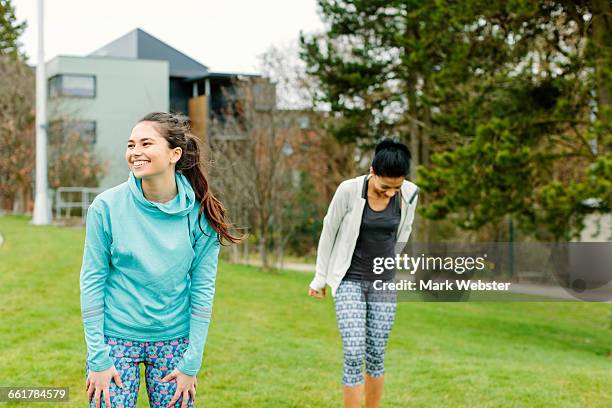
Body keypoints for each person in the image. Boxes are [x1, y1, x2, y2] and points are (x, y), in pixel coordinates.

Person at [80, 112, 242, 408]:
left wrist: (191, 363)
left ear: (174, 154)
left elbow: (202, 291)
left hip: (173, 340)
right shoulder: (105, 207)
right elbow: (91, 283)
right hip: (116, 339)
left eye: (145, 143)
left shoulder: (201, 214)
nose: (135, 152)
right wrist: (98, 359)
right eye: (130, 145)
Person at [308, 138, 419, 408]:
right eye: (385, 186)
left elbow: (403, 231)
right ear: (372, 172)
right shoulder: (349, 190)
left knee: (377, 354)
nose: (391, 193)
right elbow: (329, 231)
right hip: (349, 281)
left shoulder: (410, 193)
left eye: (397, 187)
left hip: (383, 283)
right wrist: (320, 277)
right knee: (354, 352)